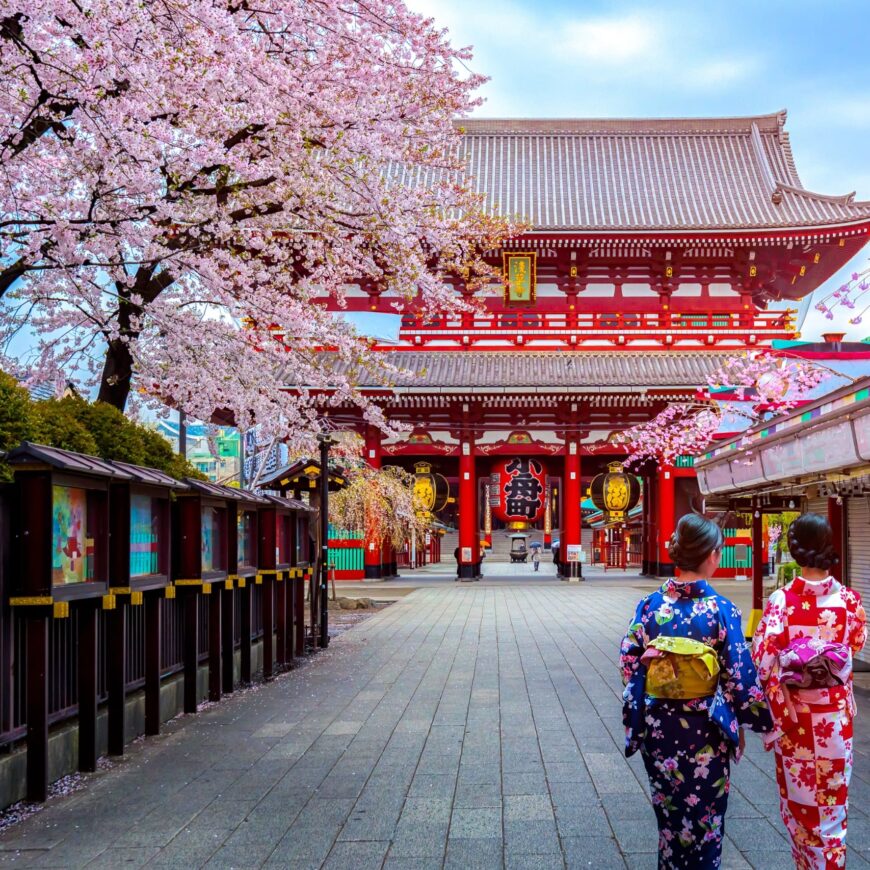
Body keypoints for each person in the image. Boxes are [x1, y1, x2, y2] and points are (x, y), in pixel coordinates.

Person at [620, 513, 772, 869]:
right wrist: (757, 722)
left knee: (670, 819)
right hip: (705, 730)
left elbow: (629, 663)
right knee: (706, 822)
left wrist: (652, 671)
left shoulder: (651, 606)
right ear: (711, 555)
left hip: (659, 728)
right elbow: (739, 675)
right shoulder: (721, 610)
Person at [752, 513, 866, 869]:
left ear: (794, 549)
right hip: (834, 721)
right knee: (832, 810)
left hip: (797, 720)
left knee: (801, 811)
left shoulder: (781, 602)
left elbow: (762, 658)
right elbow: (857, 645)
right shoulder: (849, 600)